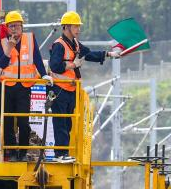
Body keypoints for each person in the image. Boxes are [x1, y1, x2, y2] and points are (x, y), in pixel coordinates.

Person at [48, 11, 120, 162]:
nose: (78, 29)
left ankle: (63, 153)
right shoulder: (59, 45)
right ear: (66, 27)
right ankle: (59, 154)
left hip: (70, 90)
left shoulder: (75, 44)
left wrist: (109, 55)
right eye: (75, 26)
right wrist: (73, 65)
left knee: (67, 123)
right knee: (60, 123)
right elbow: (54, 66)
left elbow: (88, 54)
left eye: (78, 26)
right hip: (59, 90)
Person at [0, 10, 46, 160]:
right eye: (11, 26)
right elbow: (1, 63)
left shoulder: (30, 39)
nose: (14, 29)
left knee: (23, 122)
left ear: (22, 27)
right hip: (6, 87)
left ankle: (23, 152)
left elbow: (37, 58)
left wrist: (44, 74)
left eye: (17, 26)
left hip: (24, 87)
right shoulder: (2, 41)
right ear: (7, 28)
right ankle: (12, 152)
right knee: (7, 121)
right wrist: (9, 48)